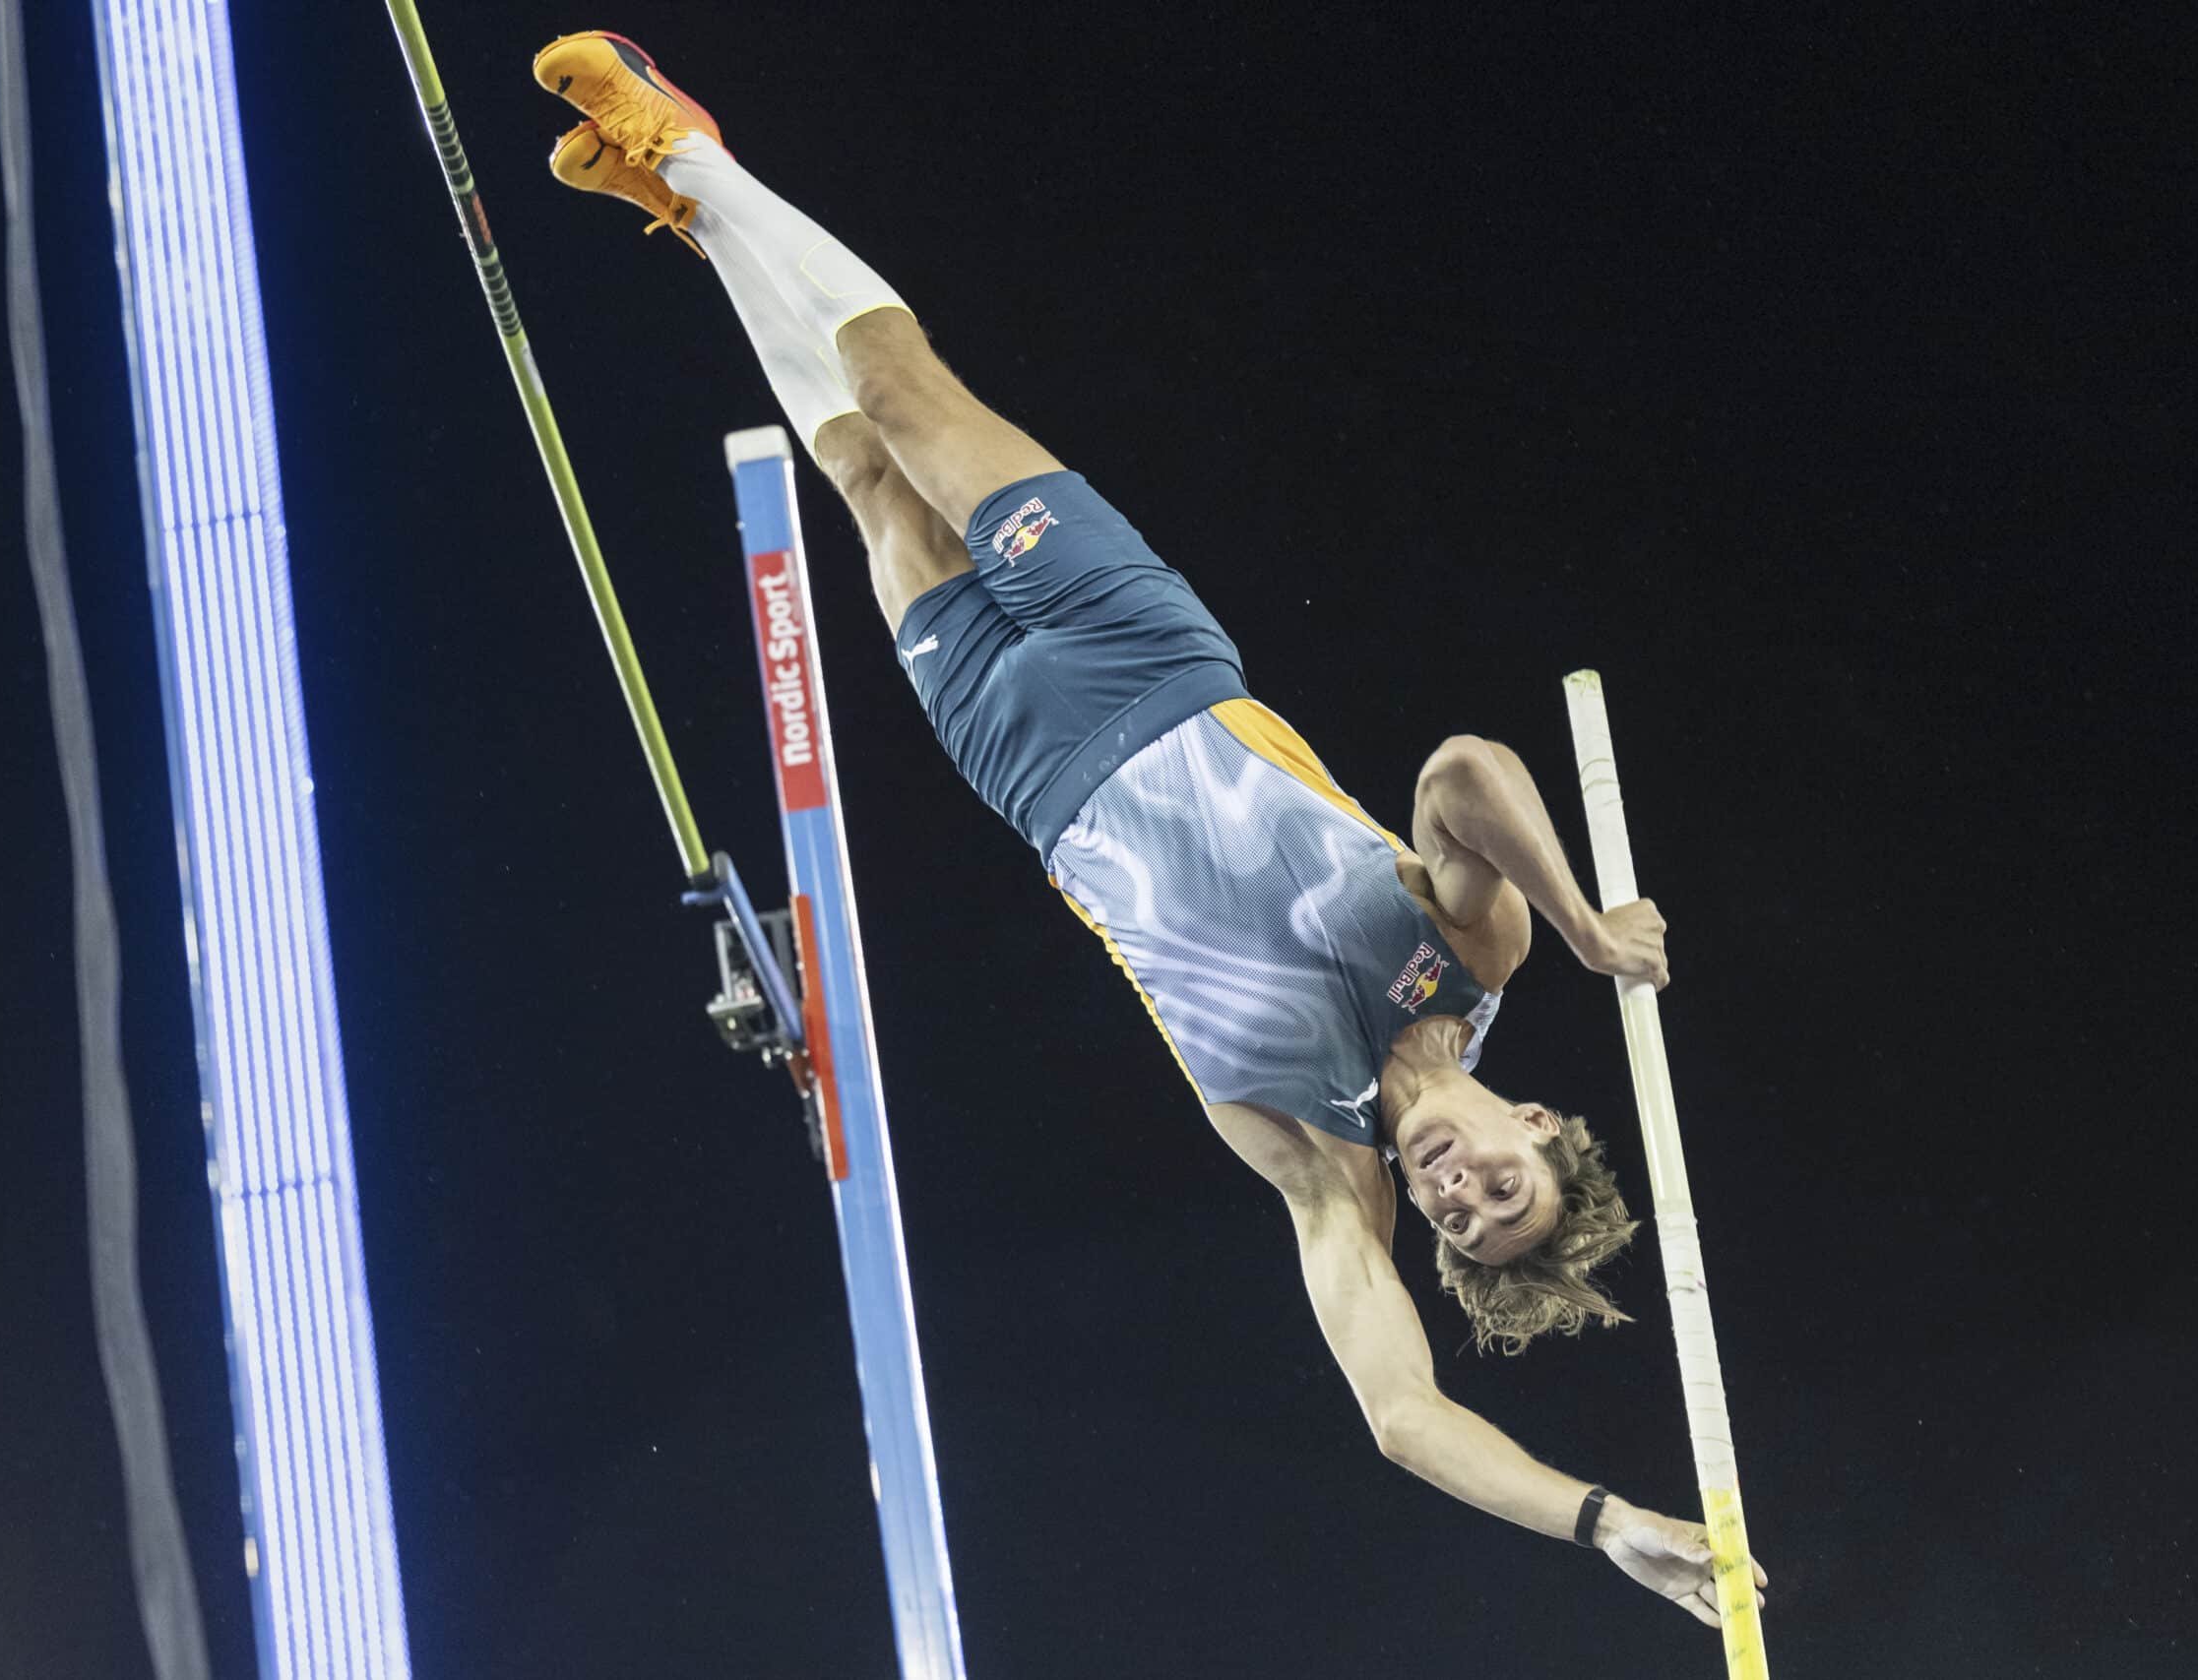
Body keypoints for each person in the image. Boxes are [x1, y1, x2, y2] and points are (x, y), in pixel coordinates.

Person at [532, 30, 1766, 1628]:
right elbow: (1463, 769)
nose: (1462, 1194)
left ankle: (687, 204)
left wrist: (1599, 1521)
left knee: (858, 479)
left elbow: (1402, 1419)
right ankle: (689, 148)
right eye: (1505, 1186)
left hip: (1026, 769)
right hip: (1147, 653)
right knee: (907, 395)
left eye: (1464, 1223)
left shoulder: (1323, 1173)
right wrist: (1589, 923)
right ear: (1538, 1124)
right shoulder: (1479, 953)